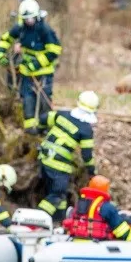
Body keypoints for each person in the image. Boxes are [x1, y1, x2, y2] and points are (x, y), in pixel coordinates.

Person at [0, 0, 62, 134]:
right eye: (26, 19)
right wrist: (1, 54)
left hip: (44, 73)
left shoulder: (45, 30)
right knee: (27, 101)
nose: (29, 21)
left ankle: (46, 130)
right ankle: (30, 131)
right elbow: (5, 39)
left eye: (31, 18)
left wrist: (36, 64)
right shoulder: (20, 28)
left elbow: (54, 51)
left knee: (44, 102)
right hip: (27, 74)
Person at [36, 91, 99, 222]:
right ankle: (36, 219)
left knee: (59, 194)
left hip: (44, 159)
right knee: (57, 194)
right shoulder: (86, 130)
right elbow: (87, 155)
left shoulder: (63, 114)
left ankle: (59, 220)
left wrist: (40, 129)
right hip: (59, 166)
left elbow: (43, 118)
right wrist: (92, 171)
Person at [62, 175, 131, 243]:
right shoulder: (106, 207)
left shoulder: (79, 203)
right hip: (96, 243)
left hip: (76, 241)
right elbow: (122, 231)